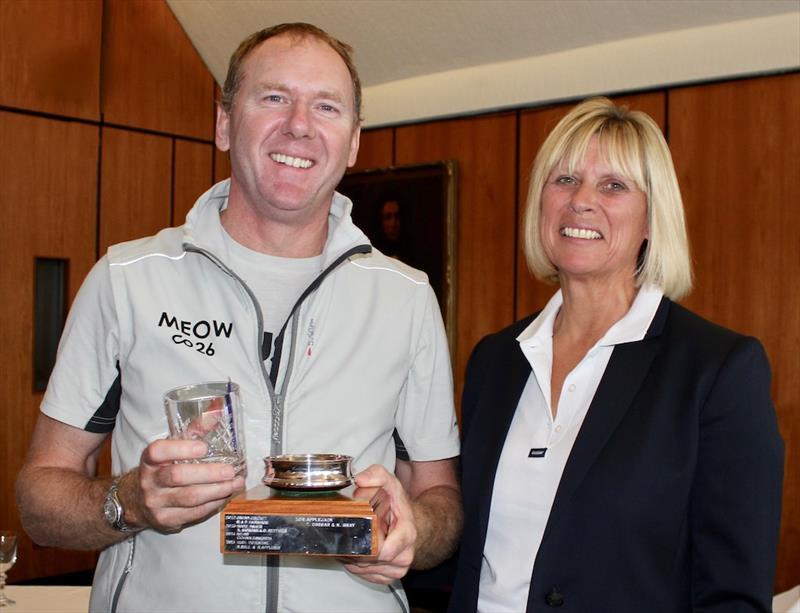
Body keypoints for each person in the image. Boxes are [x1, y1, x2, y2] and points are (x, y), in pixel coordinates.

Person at [16, 23, 462, 613]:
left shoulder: (405, 298)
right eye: (273, 97)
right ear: (225, 123)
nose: (299, 124)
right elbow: (39, 496)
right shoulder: (129, 280)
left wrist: (414, 534)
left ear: (354, 142)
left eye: (326, 105)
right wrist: (129, 501)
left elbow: (440, 499)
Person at [448, 97, 783, 612]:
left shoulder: (717, 370)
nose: (581, 201)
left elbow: (733, 596)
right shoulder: (495, 360)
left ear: (652, 219)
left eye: (614, 186)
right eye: (564, 180)